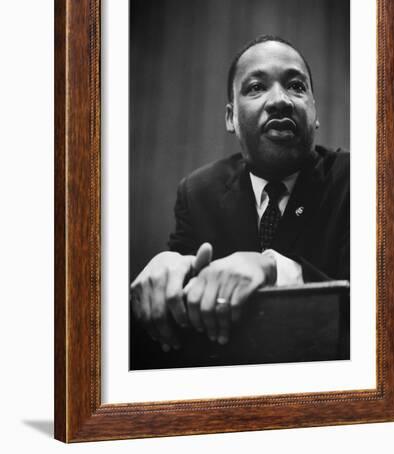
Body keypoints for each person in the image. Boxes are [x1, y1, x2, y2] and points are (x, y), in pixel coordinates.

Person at [130, 34, 349, 353]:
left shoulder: (359, 180)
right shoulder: (198, 192)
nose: (280, 100)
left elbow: (379, 309)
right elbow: (182, 288)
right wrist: (170, 268)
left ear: (315, 113)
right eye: (257, 87)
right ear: (231, 117)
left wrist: (272, 268)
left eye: (296, 86)